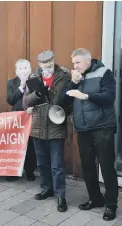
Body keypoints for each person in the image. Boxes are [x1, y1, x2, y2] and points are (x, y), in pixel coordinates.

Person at [65, 48, 118, 221]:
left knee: (107, 167)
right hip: (83, 129)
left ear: (88, 61)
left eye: (78, 62)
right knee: (87, 166)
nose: (75, 66)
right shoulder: (76, 77)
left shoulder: (104, 72)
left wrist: (85, 95)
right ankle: (95, 199)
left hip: (103, 128)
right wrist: (73, 84)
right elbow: (64, 100)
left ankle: (111, 205)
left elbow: (110, 97)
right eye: (73, 63)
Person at [25, 50, 71, 212]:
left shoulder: (64, 76)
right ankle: (47, 188)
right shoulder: (33, 78)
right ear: (39, 64)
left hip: (55, 125)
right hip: (38, 126)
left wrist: (49, 91)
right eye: (44, 63)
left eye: (50, 61)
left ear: (54, 60)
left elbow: (63, 99)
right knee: (42, 163)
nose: (48, 65)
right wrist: (38, 93)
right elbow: (26, 102)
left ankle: (61, 195)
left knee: (57, 165)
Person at [6, 59, 37, 182]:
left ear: (30, 69)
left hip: (31, 117)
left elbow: (39, 97)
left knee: (30, 145)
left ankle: (30, 171)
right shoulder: (11, 83)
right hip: (18, 118)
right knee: (16, 145)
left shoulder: (34, 81)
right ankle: (14, 171)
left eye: (25, 68)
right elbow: (10, 100)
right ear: (16, 71)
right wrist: (21, 86)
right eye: (20, 68)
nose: (23, 71)